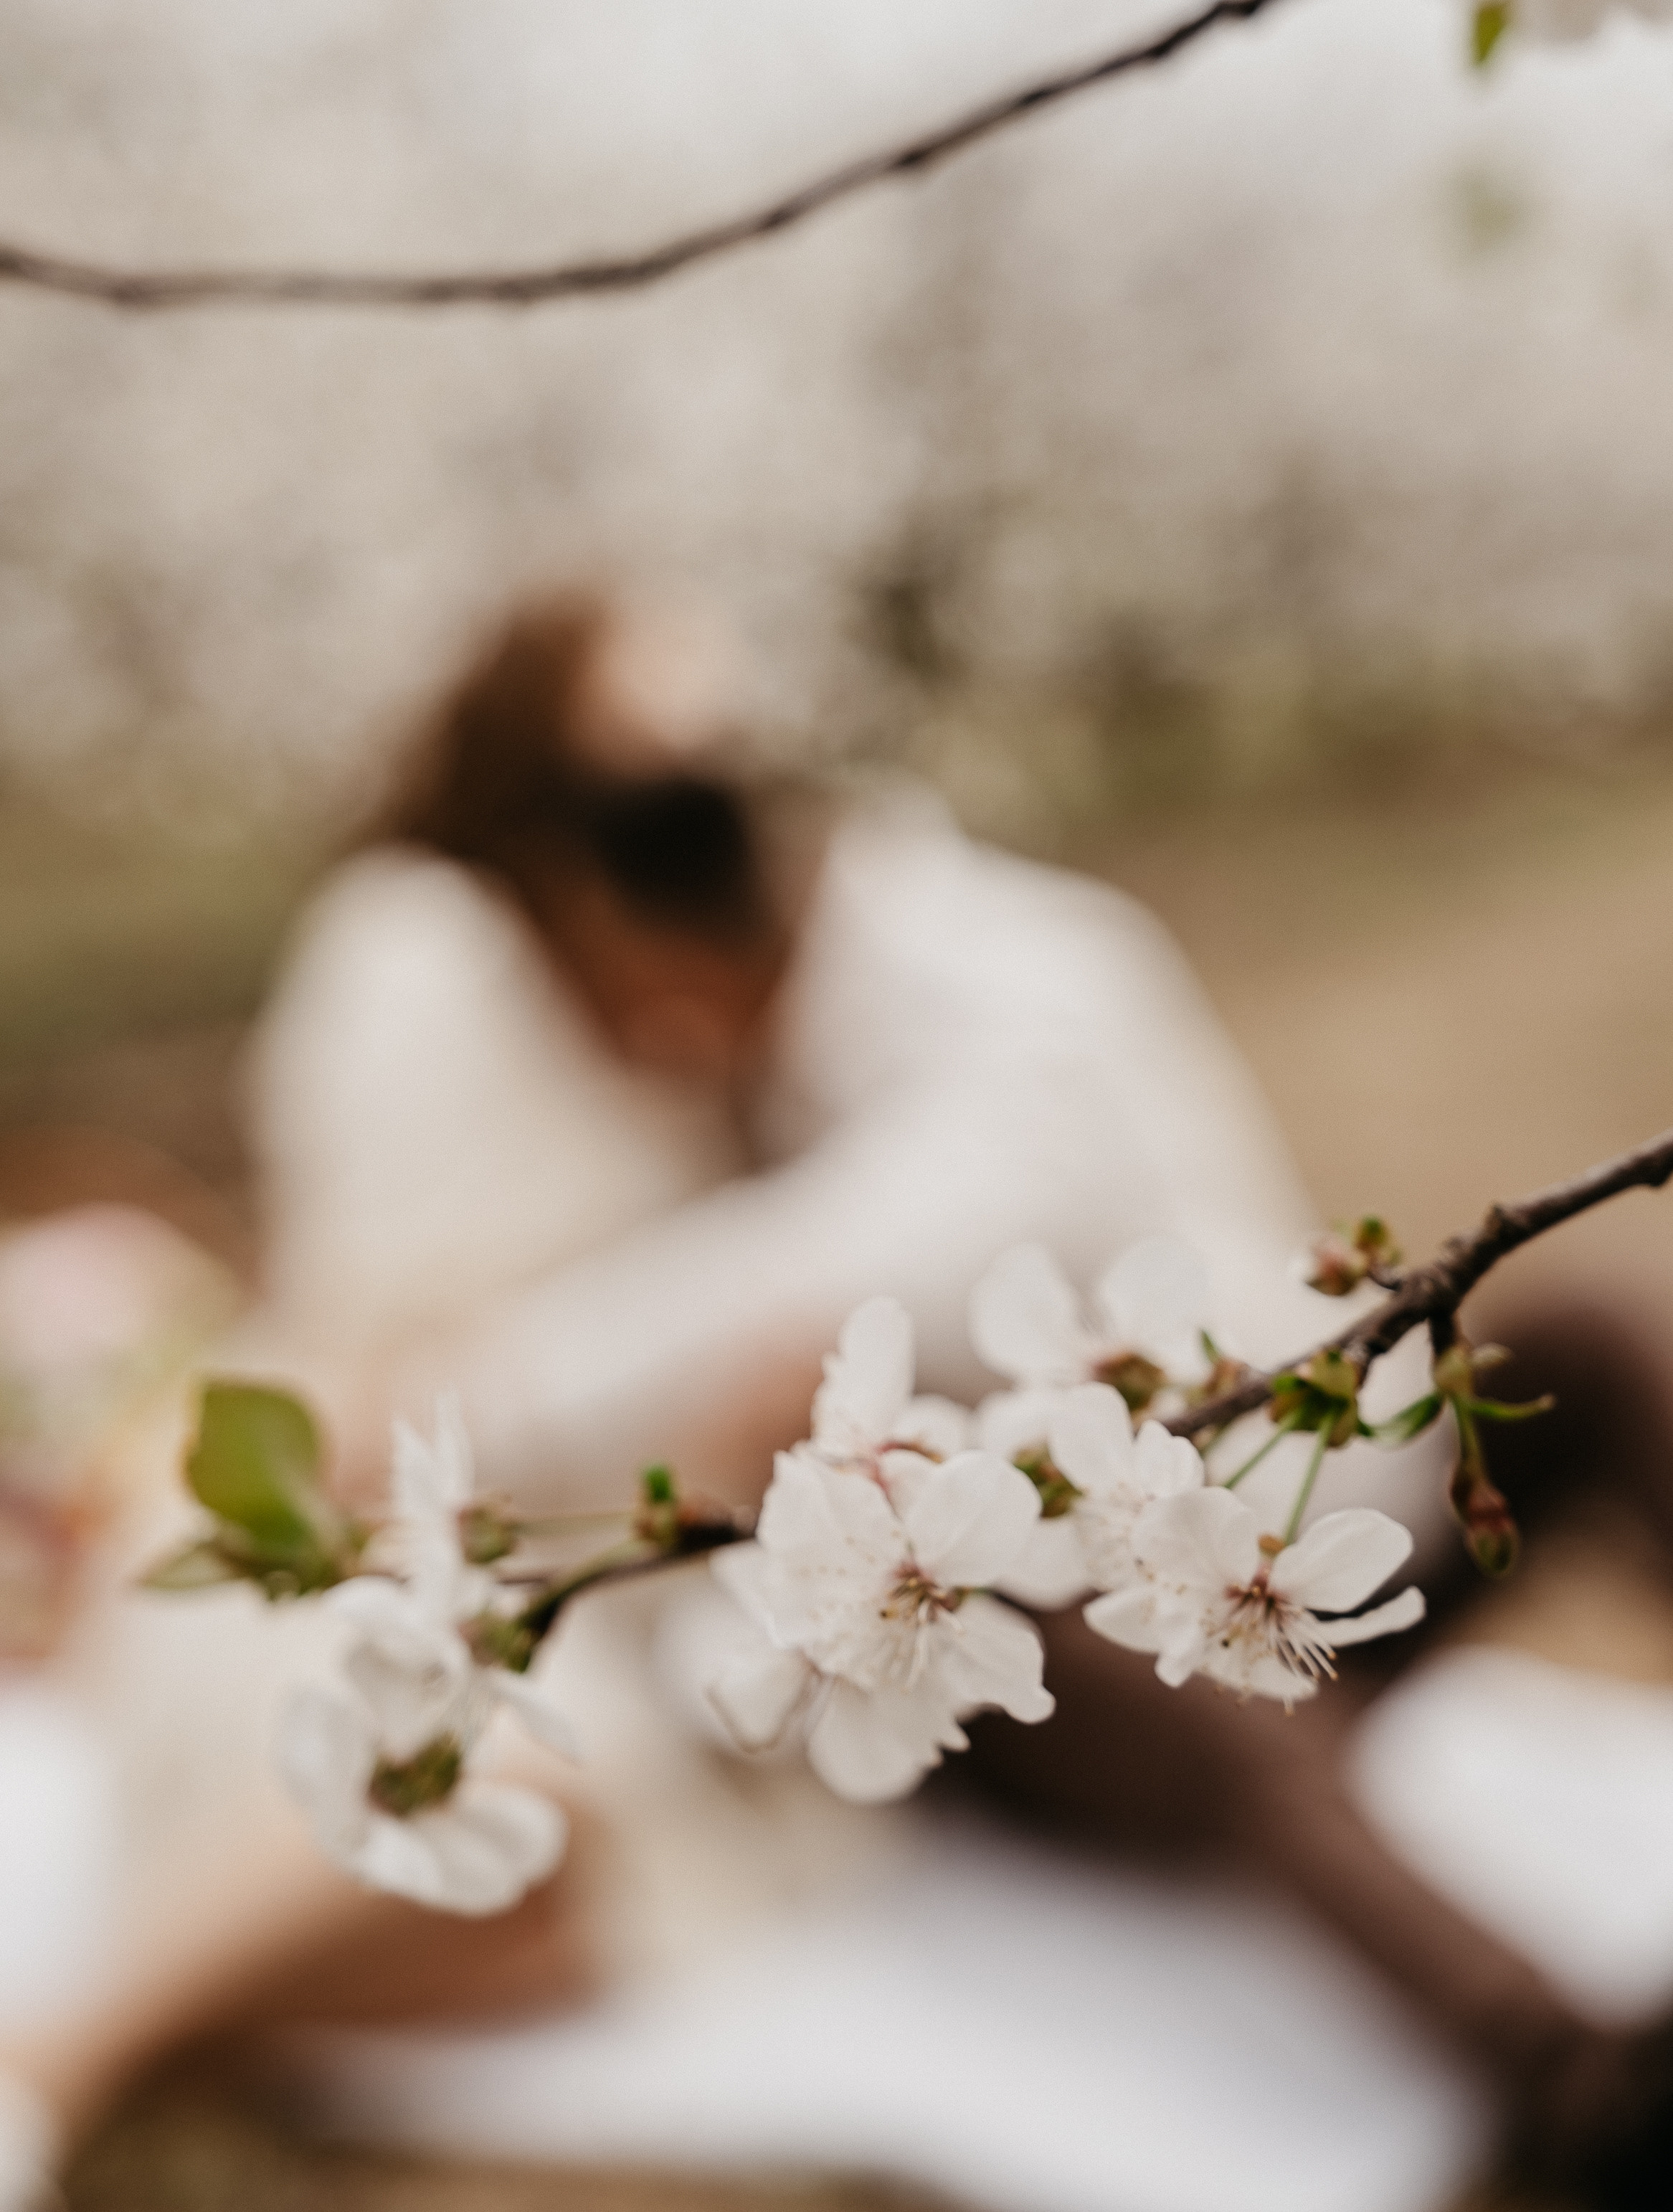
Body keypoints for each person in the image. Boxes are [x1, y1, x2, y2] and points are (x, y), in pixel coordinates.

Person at [4, 590, 1672, 2205]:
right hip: (1105, 1660)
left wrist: (466, 1407)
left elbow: (849, 1258)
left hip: (1301, 1531)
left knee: (1595, 1329)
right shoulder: (716, 1057)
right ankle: (1573, 2074)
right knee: (1077, 1621)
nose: (619, 1032)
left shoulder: (1013, 984)